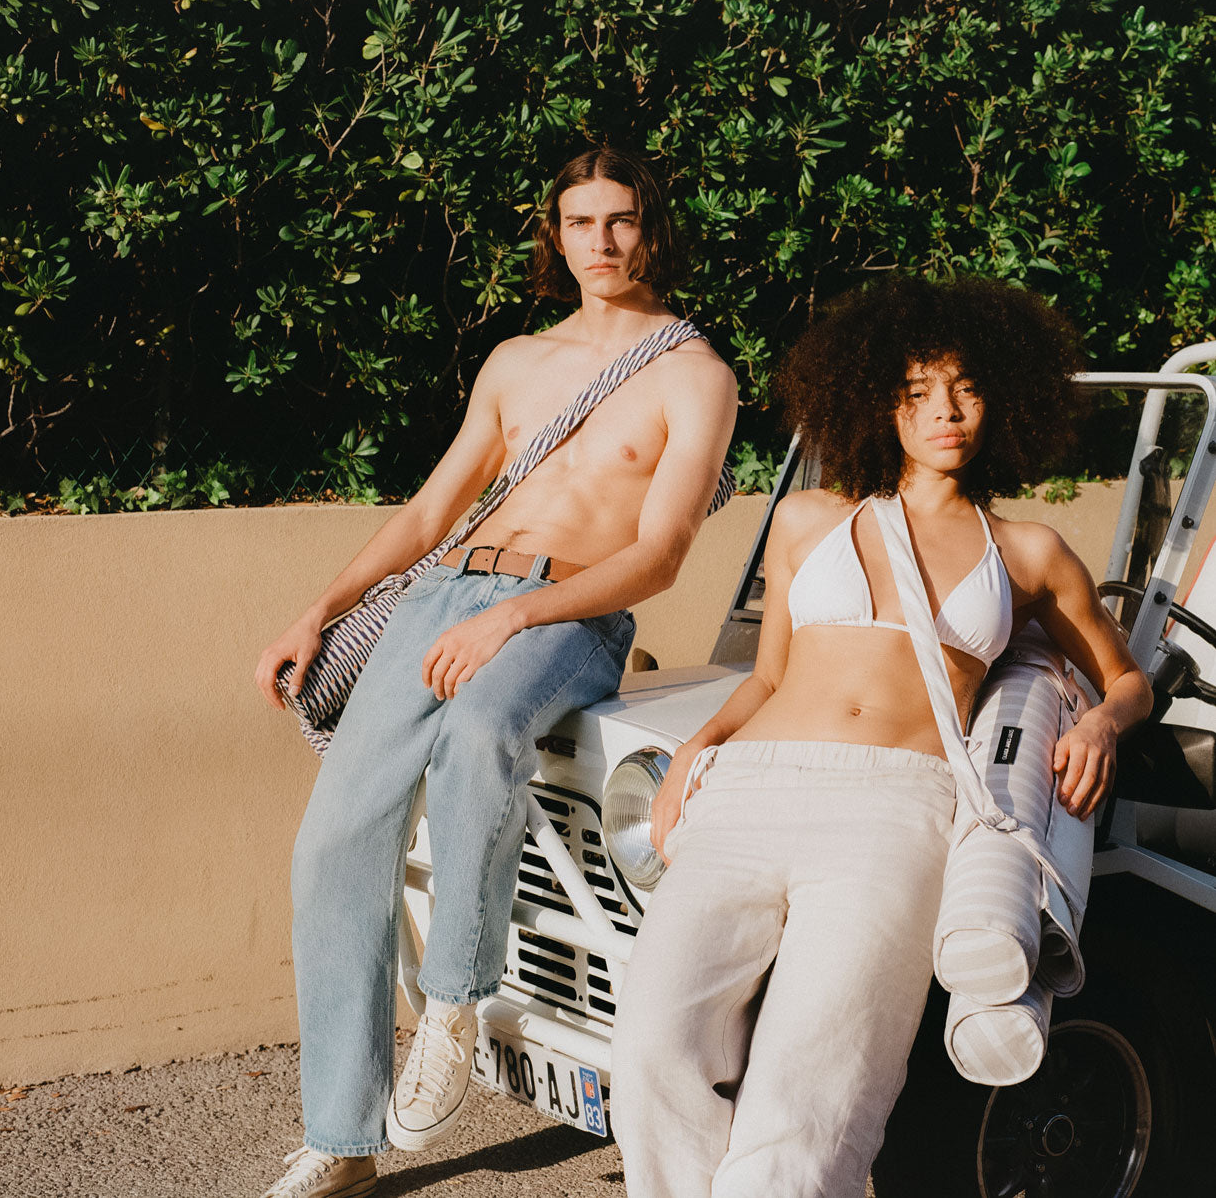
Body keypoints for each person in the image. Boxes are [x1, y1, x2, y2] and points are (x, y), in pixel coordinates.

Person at [252, 148, 738, 1198]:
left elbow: (656, 554)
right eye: (578, 222)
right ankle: (340, 1134)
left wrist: (518, 610)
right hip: (442, 599)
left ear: (652, 229)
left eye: (620, 221)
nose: (599, 243)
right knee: (335, 841)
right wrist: (319, 609)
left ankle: (454, 1003)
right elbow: (430, 513)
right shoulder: (515, 360)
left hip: (570, 612)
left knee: (481, 734)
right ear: (552, 234)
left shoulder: (695, 373)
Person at [609, 276, 1153, 1198]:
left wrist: (1102, 719)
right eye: (918, 392)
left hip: (895, 815)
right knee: (653, 1051)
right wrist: (697, 751)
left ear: (1002, 401)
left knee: (814, 1092)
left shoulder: (1026, 552)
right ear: (878, 403)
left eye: (967, 389)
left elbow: (1128, 677)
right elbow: (771, 676)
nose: (946, 412)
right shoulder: (808, 519)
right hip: (749, 792)